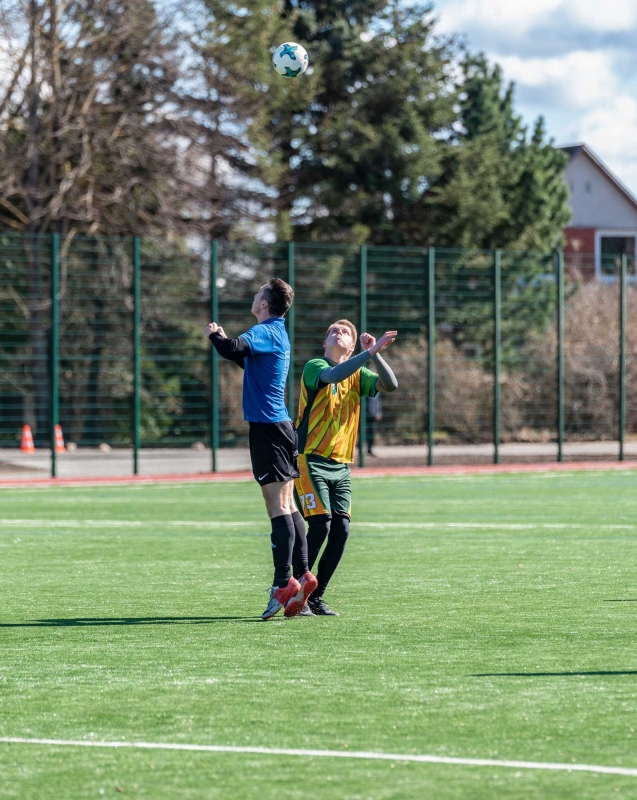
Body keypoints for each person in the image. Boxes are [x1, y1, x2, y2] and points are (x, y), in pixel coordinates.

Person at [205, 279, 317, 620]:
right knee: (287, 506)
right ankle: (303, 575)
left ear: (265, 303)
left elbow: (231, 348)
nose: (254, 296)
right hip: (279, 427)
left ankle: (282, 584)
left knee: (276, 507)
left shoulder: (265, 330)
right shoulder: (276, 332)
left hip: (268, 430)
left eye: (258, 293)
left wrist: (215, 335)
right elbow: (248, 362)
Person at [292, 320, 398, 616]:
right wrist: (367, 353)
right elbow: (333, 374)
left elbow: (391, 384)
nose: (338, 334)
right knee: (321, 523)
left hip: (340, 466)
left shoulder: (359, 373)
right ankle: (294, 588)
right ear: (325, 343)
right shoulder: (316, 366)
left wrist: (375, 354)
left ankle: (315, 596)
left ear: (352, 346)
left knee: (341, 529)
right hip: (309, 459)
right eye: (332, 332)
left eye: (345, 333)